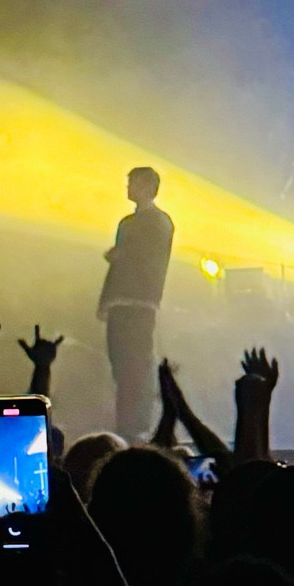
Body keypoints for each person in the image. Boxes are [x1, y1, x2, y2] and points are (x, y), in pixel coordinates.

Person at [97, 166, 174, 439]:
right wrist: (106, 300)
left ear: (145, 185)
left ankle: (137, 427)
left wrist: (121, 255)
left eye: (131, 182)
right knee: (120, 364)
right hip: (122, 303)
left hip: (140, 303)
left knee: (136, 366)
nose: (127, 187)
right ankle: (126, 425)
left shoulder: (159, 222)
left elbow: (147, 259)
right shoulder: (127, 223)